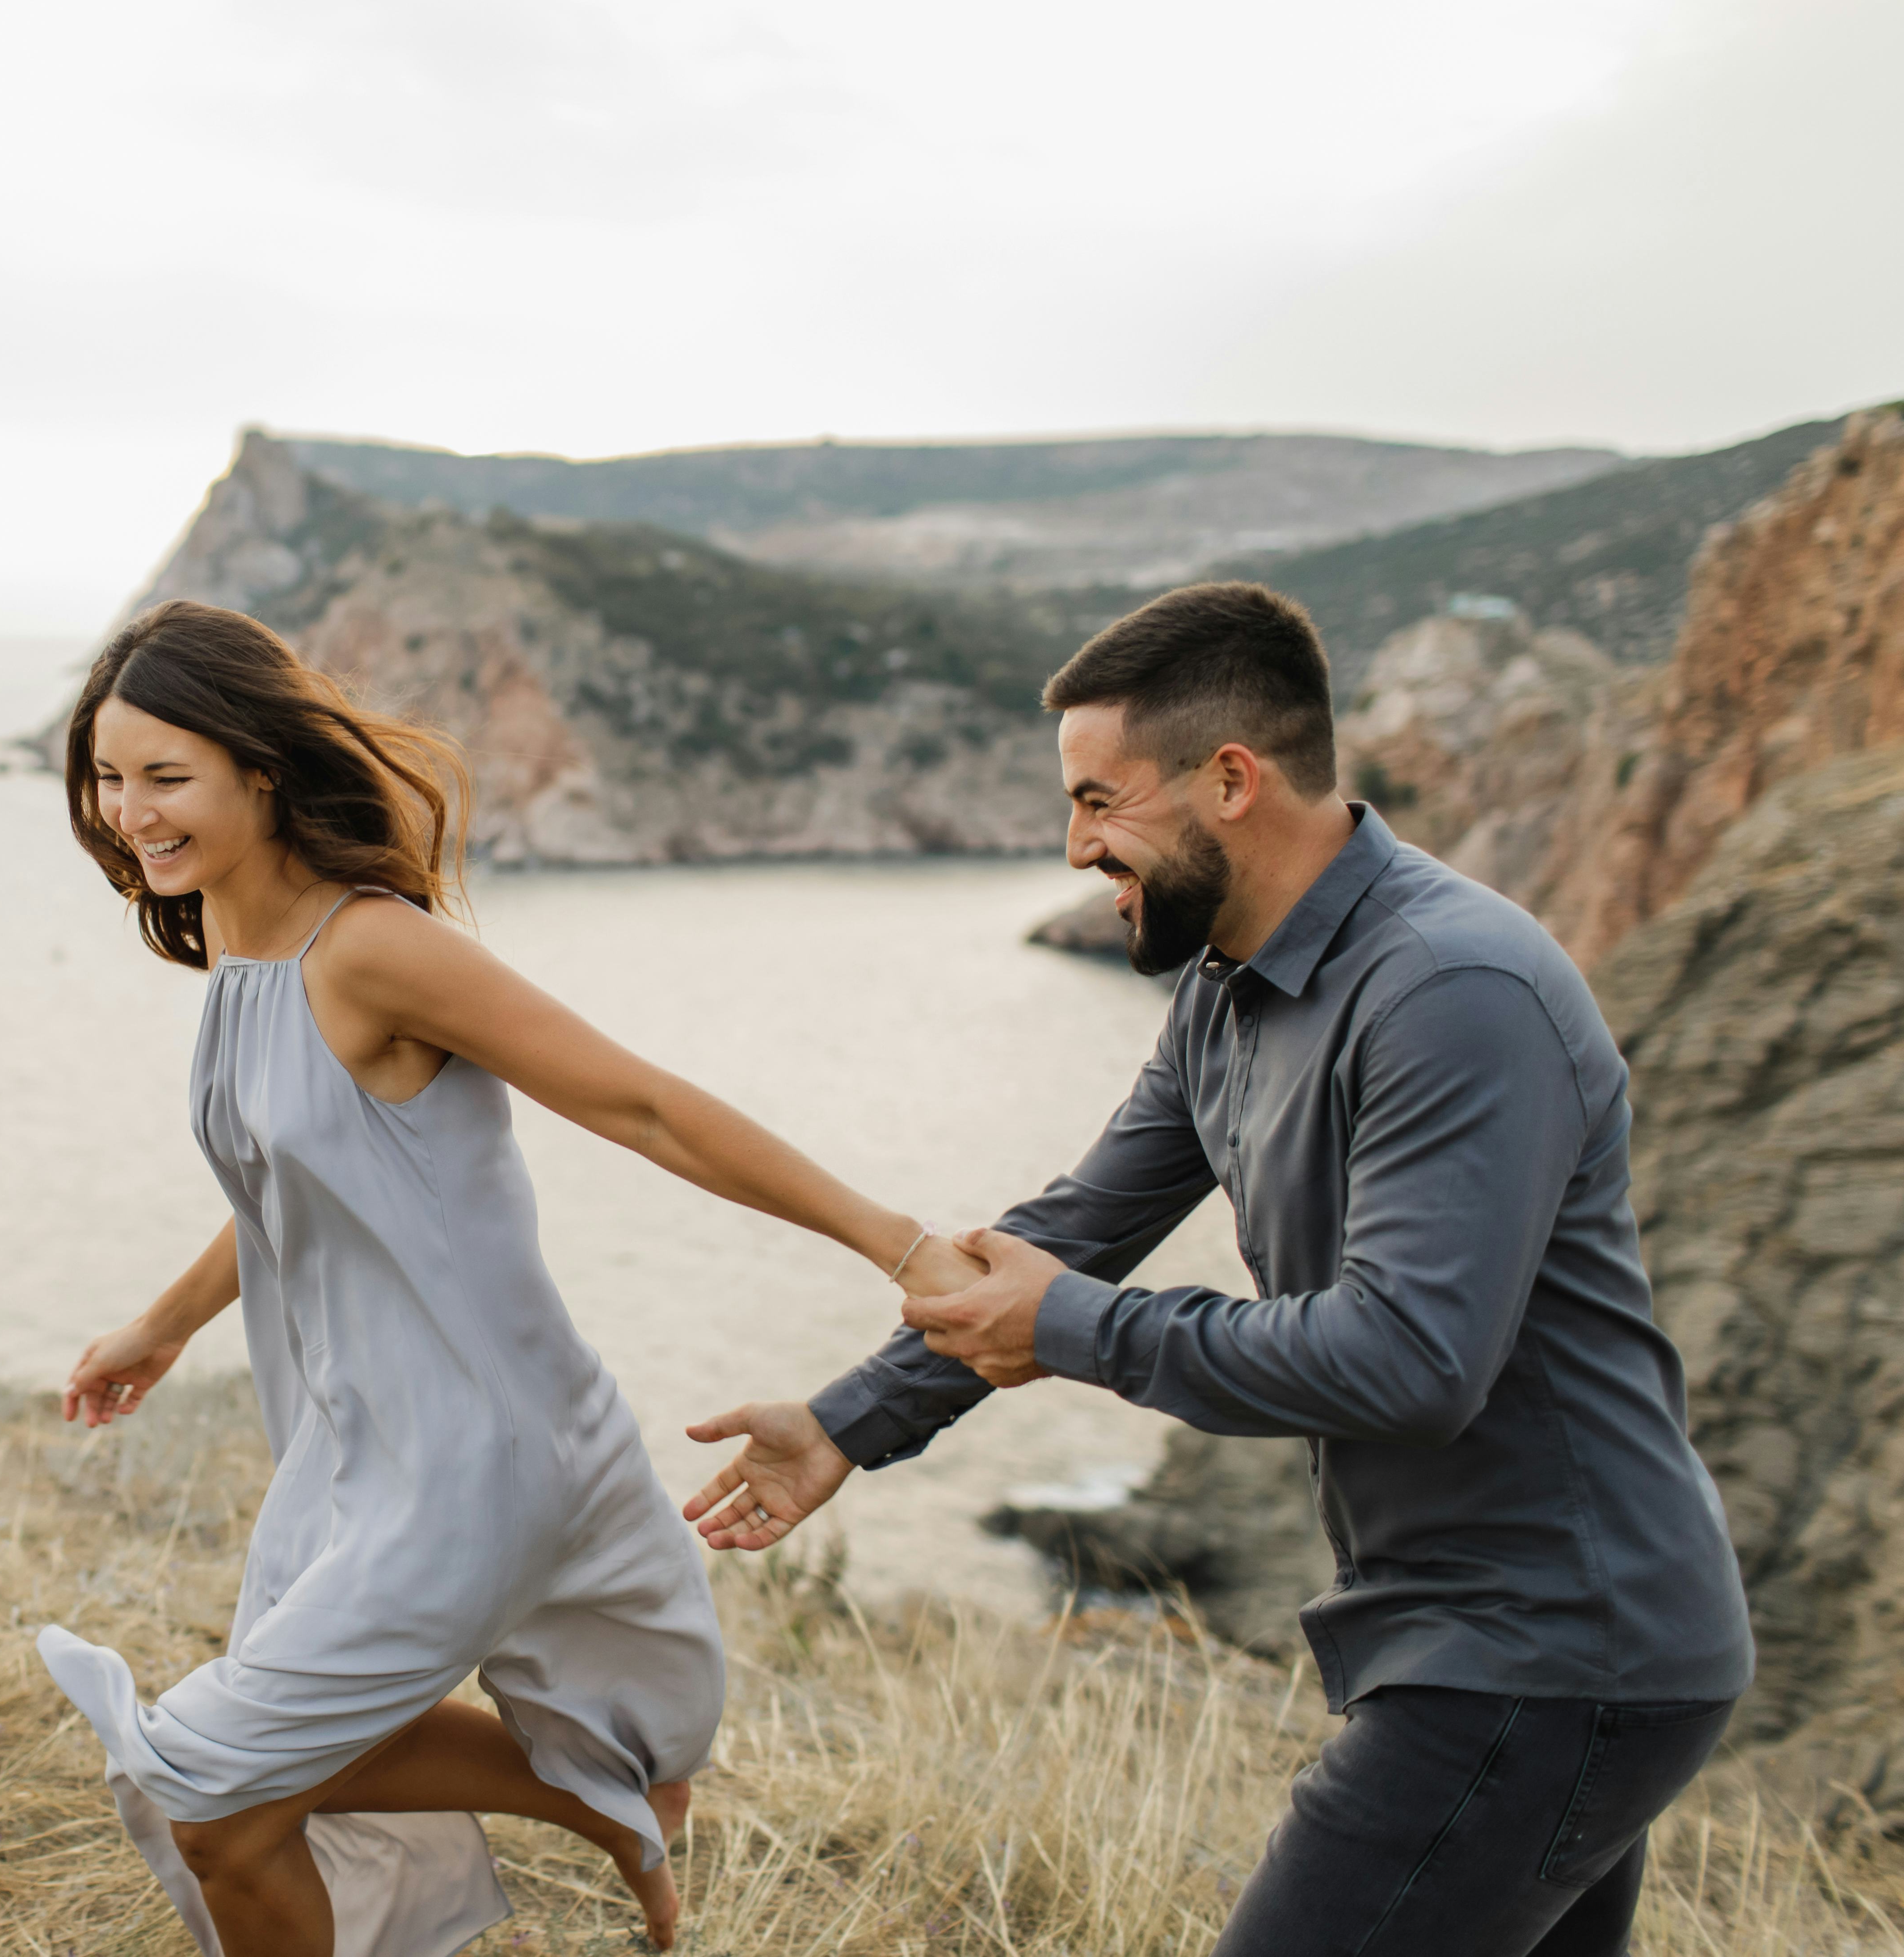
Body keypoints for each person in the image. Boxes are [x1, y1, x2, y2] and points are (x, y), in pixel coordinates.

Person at [686, 582, 1754, 1957]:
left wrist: (1078, 1329)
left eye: (1099, 800)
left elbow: (1413, 1360)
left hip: (1549, 1650)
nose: (1074, 845)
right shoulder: (1229, 990)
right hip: (1508, 1643)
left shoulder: (1452, 989)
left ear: (1233, 780)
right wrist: (848, 1420)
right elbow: (1076, 1225)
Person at [34, 599, 982, 1957]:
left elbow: (645, 1105)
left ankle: (602, 1802)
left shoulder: (371, 948)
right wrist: (166, 1322)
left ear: (261, 767)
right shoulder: (238, 956)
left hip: (470, 1451)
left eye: (165, 775)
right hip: (358, 1445)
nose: (131, 811)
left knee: (208, 1791)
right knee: (246, 1789)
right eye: (110, 776)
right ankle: (602, 1800)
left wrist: (899, 1241)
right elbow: (301, 1188)